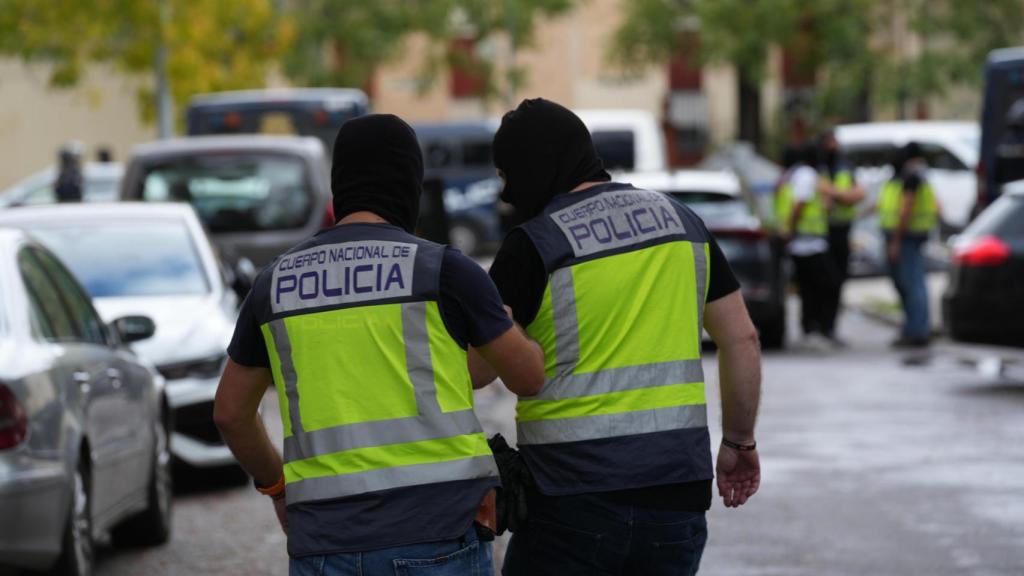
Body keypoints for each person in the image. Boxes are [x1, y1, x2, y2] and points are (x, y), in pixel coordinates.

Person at [213, 114, 546, 576]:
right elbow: (527, 378)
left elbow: (230, 413)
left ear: (340, 183)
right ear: (409, 182)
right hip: (438, 535)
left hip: (324, 544)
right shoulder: (443, 270)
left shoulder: (275, 284)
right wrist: (510, 327)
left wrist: (277, 487)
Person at [483, 98, 762, 576]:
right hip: (676, 495)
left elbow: (477, 368)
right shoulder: (683, 223)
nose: (506, 193)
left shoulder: (533, 245)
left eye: (507, 176)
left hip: (569, 500)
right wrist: (739, 442)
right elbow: (742, 340)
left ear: (532, 167)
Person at [781, 143, 842, 347]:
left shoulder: (792, 175)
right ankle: (821, 328)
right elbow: (801, 203)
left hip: (802, 243)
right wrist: (791, 227)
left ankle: (809, 328)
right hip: (809, 244)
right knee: (829, 285)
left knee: (808, 288)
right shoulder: (807, 174)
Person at [879, 142, 939, 348]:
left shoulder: (911, 178)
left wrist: (895, 241)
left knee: (913, 285)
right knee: (908, 284)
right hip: (905, 237)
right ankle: (913, 329)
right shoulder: (909, 178)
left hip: (906, 238)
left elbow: (905, 210)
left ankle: (917, 332)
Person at [818, 129, 865, 332]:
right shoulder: (817, 167)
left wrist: (834, 194)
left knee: (838, 280)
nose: (833, 146)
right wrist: (843, 196)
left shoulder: (845, 166)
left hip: (842, 232)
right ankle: (818, 325)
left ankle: (830, 327)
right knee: (823, 282)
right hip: (820, 233)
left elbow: (858, 194)